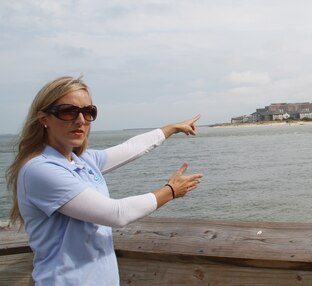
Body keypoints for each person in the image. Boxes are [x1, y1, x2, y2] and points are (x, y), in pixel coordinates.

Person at [5, 76, 203, 285]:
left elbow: (130, 149)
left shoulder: (82, 161)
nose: (80, 119)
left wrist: (171, 128)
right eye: (68, 111)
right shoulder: (40, 170)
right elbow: (116, 214)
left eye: (88, 112)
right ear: (44, 118)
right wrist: (170, 191)